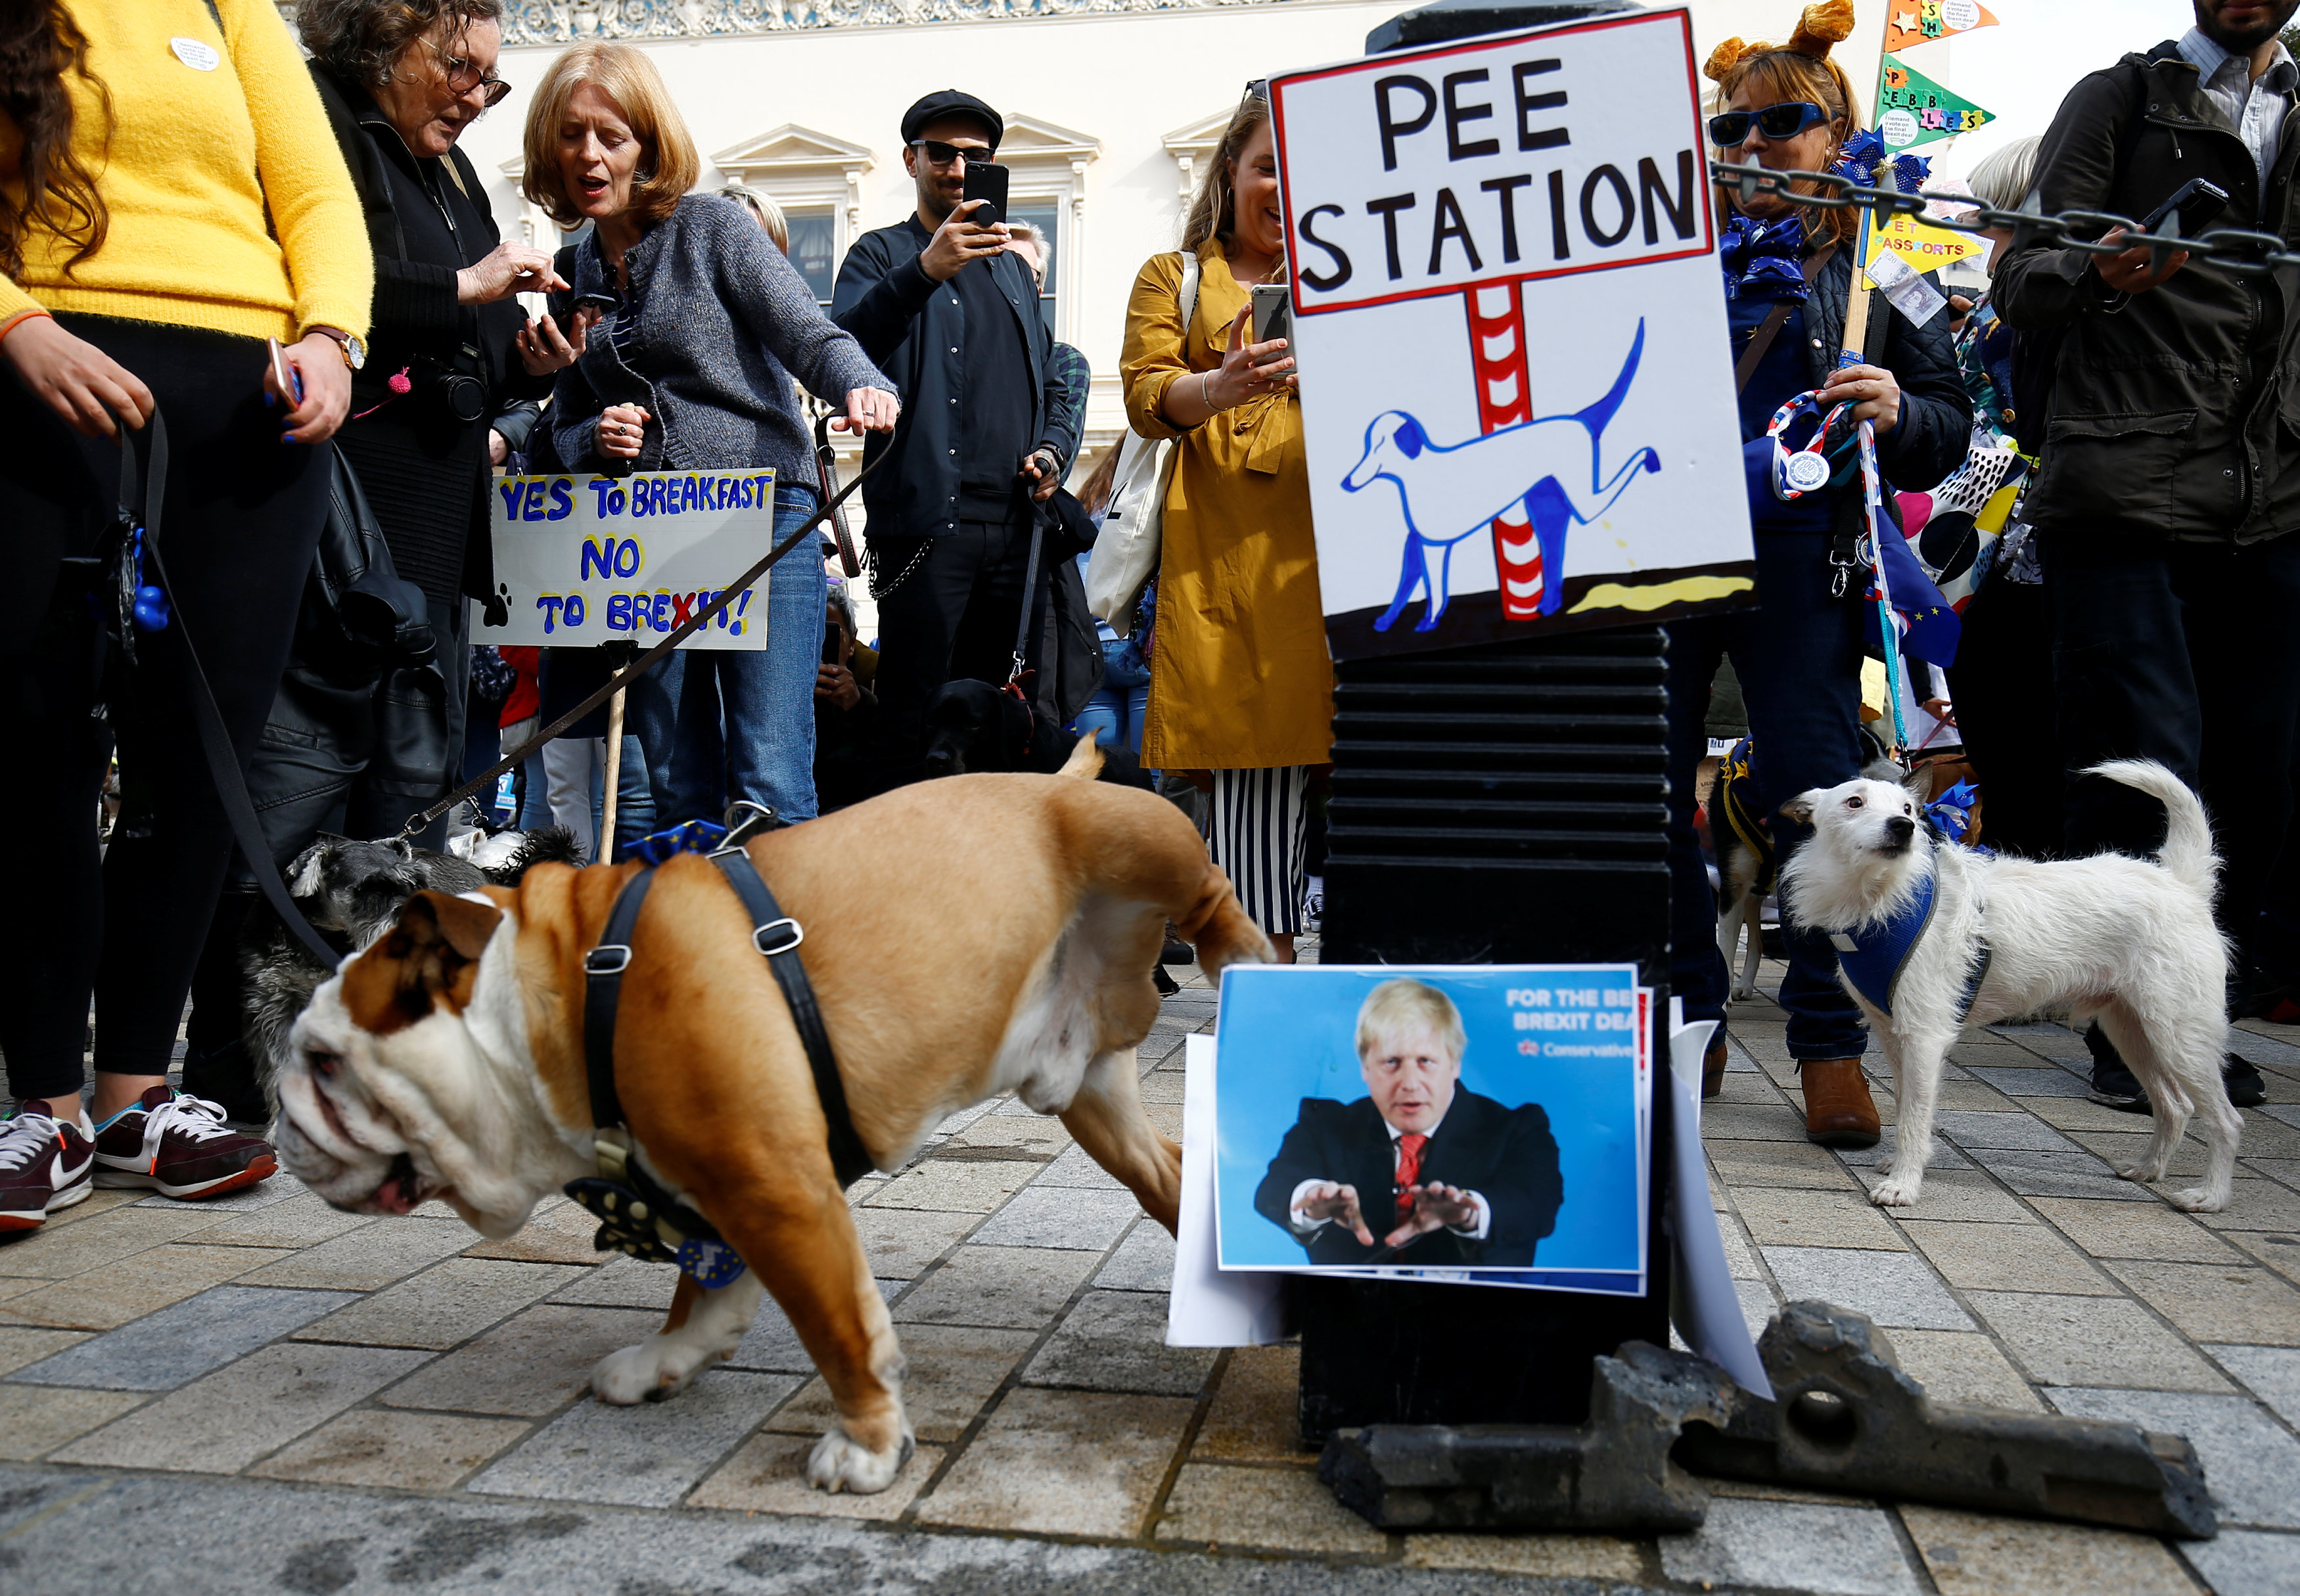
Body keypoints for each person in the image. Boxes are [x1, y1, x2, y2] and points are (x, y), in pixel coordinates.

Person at [0, 0, 371, 1223]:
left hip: (249, 407)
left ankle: (134, 1093)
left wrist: (331, 333)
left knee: (200, 760)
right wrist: (16, 323)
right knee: (37, 746)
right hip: (46, 374)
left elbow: (316, 193)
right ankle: (42, 1107)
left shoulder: (226, 6)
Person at [1669, 5, 1971, 1140]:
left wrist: (1900, 405)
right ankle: (1686, 1019)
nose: (1752, 149)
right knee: (1649, 785)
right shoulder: (1671, 249)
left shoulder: (1884, 264)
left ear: (1836, 132)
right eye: (1731, 130)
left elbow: (1954, 414)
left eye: (1782, 124)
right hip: (1673, 541)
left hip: (1807, 558)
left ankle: (1828, 1041)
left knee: (1819, 789)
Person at [1995, 0, 2296, 1111]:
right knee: (2141, 765)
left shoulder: (2295, 108)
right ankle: (2127, 1038)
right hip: (2124, 492)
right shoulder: (2121, 98)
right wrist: (2098, 274)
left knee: (2258, 784)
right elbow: (2021, 280)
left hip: (2273, 498)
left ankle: (2188, 1013)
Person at [527, 42, 897, 829]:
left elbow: (810, 335)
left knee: (767, 776)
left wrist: (864, 384)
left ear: (650, 146)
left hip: (761, 518)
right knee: (674, 782)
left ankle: (782, 954)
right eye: (570, 134)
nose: (587, 155)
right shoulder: (572, 268)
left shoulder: (714, 228)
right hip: (655, 539)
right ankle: (694, 950)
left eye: (611, 136)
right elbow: (554, 432)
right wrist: (596, 435)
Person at [1119, 87, 1335, 962]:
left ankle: (1361, 982)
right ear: (1233, 175)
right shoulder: (1176, 278)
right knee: (1255, 799)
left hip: (1356, 560)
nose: (1286, 188)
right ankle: (1266, 995)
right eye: (1269, 166)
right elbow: (1144, 394)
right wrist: (1224, 384)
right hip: (1242, 570)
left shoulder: (1363, 281)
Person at [832, 91, 1084, 764]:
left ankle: (987, 866)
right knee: (914, 715)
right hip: (923, 526)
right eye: (941, 152)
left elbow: (1049, 376)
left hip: (1011, 527)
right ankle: (906, 867)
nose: (956, 167)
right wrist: (923, 271)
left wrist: (1052, 450)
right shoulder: (880, 254)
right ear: (911, 159)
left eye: (975, 156)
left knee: (1000, 723)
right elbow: (840, 350)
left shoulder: (1011, 270)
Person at [1935, 137, 2063, 863]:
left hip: (2032, 556)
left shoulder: (2042, 306)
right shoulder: (1987, 310)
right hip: (1979, 561)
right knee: (2005, 756)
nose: (1986, 246)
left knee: (2029, 758)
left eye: (1997, 225)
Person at [1253, 979, 1562, 1267]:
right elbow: (1275, 1189)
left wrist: (1468, 1212)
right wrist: (1313, 1202)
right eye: (1392, 1062)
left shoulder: (1516, 1128)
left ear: (1454, 1064)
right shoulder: (1325, 1124)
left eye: (1425, 1062)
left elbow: (1536, 1204)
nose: (1410, 1083)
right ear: (1365, 1069)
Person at [814, 579, 880, 811]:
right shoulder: (775, 693)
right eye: (809, 633)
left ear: (852, 642)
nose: (817, 643)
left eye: (829, 633)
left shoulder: (873, 682)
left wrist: (858, 707)